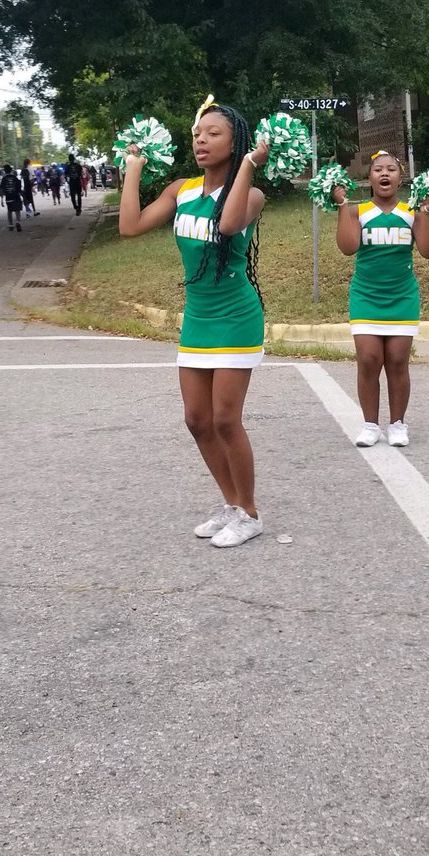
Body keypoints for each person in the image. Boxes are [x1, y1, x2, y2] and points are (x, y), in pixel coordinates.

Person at [119, 99, 269, 548]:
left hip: (236, 317)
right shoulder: (181, 190)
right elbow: (130, 226)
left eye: (213, 134)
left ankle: (250, 513)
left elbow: (228, 224)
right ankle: (230, 504)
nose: (201, 140)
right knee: (197, 419)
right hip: (198, 318)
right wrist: (132, 169)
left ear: (236, 142)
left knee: (225, 419)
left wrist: (248, 165)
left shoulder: (252, 195)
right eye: (197, 134)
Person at [333, 150, 429, 448]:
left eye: (391, 169)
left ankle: (397, 424)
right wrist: (341, 205)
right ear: (369, 178)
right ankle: (370, 425)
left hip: (402, 297)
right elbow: (347, 247)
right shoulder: (357, 211)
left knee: (397, 361)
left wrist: (425, 211)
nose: (384, 173)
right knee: (369, 360)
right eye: (378, 169)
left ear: (400, 178)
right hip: (366, 296)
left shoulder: (411, 211)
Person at [0, 163, 24, 231]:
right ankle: (18, 222)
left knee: (9, 210)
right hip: (16, 196)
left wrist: (1, 199)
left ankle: (11, 225)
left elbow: (1, 189)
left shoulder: (4, 179)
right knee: (17, 210)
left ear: (5, 171)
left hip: (8, 197)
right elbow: (19, 187)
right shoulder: (14, 177)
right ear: (11, 170)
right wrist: (22, 195)